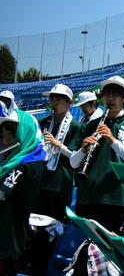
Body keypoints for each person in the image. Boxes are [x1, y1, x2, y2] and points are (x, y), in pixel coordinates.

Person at [69, 76, 124, 235]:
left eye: (116, 94)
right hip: (88, 195)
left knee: (112, 248)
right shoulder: (88, 126)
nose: (110, 98)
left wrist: (112, 140)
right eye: (107, 94)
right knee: (85, 245)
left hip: (116, 197)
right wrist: (83, 149)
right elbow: (73, 164)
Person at [0, 101, 46, 276]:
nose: (5, 139)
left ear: (24, 132)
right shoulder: (14, 162)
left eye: (10, 132)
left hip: (8, 239)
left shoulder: (24, 165)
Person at [38, 84, 82, 221]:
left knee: (56, 222)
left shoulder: (75, 126)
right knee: (36, 220)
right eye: (52, 99)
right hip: (42, 178)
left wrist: (57, 144)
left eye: (59, 99)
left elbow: (75, 156)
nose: (54, 102)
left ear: (69, 103)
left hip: (61, 181)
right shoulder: (44, 122)